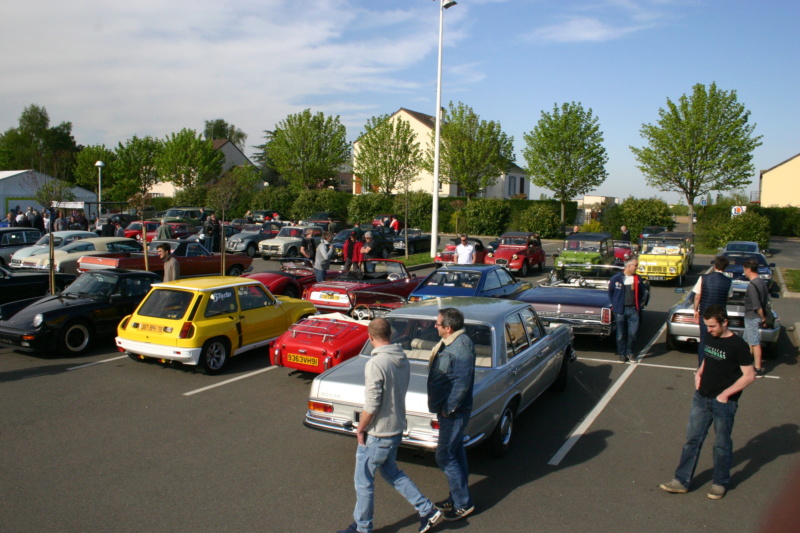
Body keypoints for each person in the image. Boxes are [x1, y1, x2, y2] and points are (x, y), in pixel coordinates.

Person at [337, 318, 443, 533]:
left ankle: (362, 527)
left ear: (370, 337)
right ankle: (426, 510)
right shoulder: (401, 357)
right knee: (391, 472)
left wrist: (361, 427)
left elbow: (373, 402)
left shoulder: (376, 363)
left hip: (378, 433)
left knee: (363, 481)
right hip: (395, 428)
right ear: (391, 335)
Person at [659, 304, 755, 500]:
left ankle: (720, 482)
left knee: (721, 444)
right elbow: (708, 357)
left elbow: (749, 376)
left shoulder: (738, 345)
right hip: (701, 398)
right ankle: (681, 481)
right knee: (692, 441)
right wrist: (699, 373)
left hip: (724, 403)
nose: (708, 330)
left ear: (724, 322)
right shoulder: (711, 337)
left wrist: (726, 394)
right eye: (707, 326)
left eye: (712, 326)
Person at [427, 308, 475, 522]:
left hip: (453, 412)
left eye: (438, 324)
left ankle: (463, 504)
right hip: (445, 409)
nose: (435, 326)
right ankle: (457, 496)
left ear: (448, 328)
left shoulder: (461, 347)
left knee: (445, 456)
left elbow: (461, 383)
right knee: (456, 452)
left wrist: (449, 408)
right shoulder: (450, 343)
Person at [693, 256, 733, 366]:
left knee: (704, 340)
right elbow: (728, 297)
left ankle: (702, 365)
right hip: (720, 315)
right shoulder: (729, 281)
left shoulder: (703, 278)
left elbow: (697, 296)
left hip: (705, 313)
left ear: (714, 265)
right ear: (725, 268)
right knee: (718, 341)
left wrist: (696, 310)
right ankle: (716, 364)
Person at [608, 257, 647, 363]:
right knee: (621, 334)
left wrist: (639, 304)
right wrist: (614, 305)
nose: (637, 267)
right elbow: (611, 292)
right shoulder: (616, 278)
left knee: (633, 333)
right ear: (628, 266)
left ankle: (630, 352)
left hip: (633, 310)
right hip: (620, 310)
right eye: (635, 265)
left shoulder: (637, 278)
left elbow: (642, 292)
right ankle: (622, 354)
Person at [743, 258, 770, 378]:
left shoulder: (752, 285)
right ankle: (747, 365)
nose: (744, 272)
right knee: (748, 342)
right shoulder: (761, 282)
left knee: (754, 342)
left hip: (752, 317)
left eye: (745, 269)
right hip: (753, 317)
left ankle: (758, 369)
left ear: (748, 269)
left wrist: (763, 317)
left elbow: (756, 305)